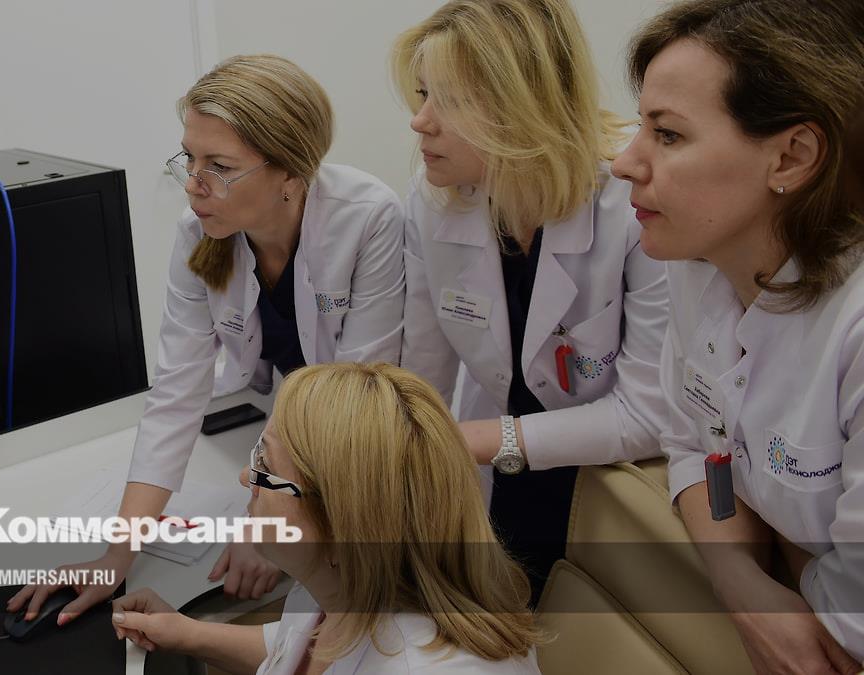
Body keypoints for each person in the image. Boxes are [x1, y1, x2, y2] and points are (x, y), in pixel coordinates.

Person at [8, 55, 406, 626]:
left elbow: (354, 401)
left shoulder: (367, 219)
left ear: (291, 173)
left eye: (219, 166)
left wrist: (267, 524)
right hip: (291, 430)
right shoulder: (199, 236)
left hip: (370, 453)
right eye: (189, 159)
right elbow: (175, 395)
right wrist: (116, 557)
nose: (194, 184)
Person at [611, 0, 864, 671]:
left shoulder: (854, 329)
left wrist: (793, 565)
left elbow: (846, 630)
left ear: (792, 156)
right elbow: (692, 440)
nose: (623, 162)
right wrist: (741, 581)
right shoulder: (700, 263)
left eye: (667, 135)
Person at [393, 0, 668, 601]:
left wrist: (464, 442)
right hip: (497, 458)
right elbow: (421, 378)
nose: (420, 121)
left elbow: (648, 415)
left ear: (521, 106)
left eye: (448, 100)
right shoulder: (432, 201)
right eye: (422, 94)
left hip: (614, 475)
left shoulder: (632, 206)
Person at [109, 362, 543, 674]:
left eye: (266, 466)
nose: (246, 477)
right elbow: (294, 648)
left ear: (342, 525)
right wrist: (186, 633)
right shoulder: (343, 582)